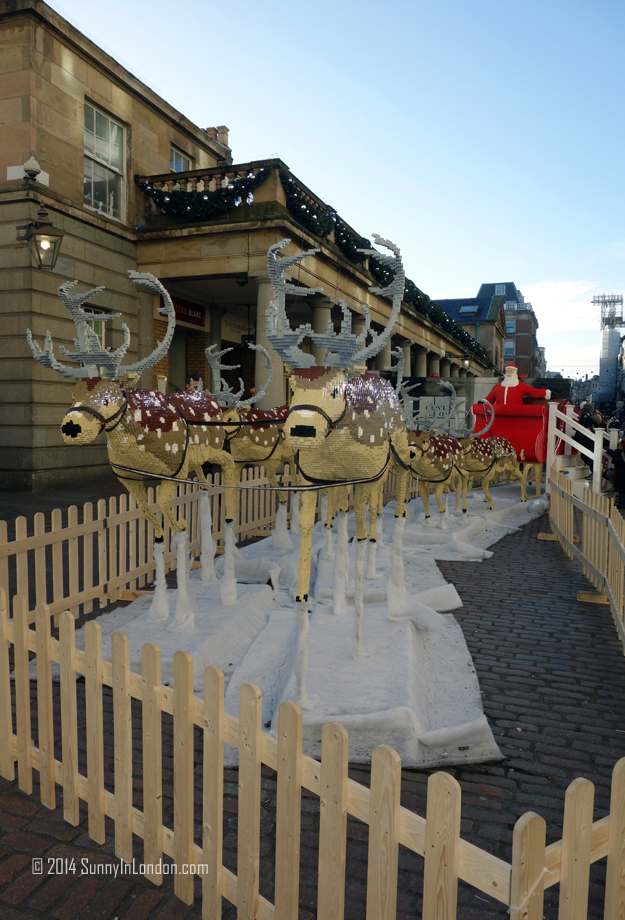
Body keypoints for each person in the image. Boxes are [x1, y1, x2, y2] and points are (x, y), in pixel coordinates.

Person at [485, 363, 551, 406]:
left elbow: (533, 392)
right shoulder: (497, 387)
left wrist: (546, 393)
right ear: (505, 372)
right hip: (499, 416)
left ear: (515, 372)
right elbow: (490, 398)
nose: (509, 373)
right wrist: (483, 403)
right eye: (508, 371)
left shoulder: (520, 386)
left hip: (516, 415)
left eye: (511, 371)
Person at [573, 403, 603, 477]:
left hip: (587, 441)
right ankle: (595, 473)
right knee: (586, 456)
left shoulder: (588, 418)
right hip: (589, 441)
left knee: (585, 456)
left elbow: (590, 426)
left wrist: (589, 429)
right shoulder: (591, 418)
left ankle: (595, 473)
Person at [607, 438, 625, 509]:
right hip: (621, 475)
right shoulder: (620, 453)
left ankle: (622, 504)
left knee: (622, 490)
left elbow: (617, 460)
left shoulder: (620, 453)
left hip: (621, 475)